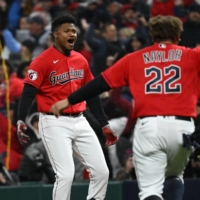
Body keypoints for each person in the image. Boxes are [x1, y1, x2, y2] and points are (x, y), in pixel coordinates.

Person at [50, 15, 200, 200]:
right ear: (178, 36)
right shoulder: (193, 55)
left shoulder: (134, 58)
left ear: (152, 36)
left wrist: (69, 100)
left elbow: (100, 83)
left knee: (150, 191)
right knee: (174, 177)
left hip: (150, 126)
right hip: (183, 127)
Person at [17, 14, 118, 200]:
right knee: (65, 174)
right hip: (53, 122)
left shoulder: (80, 59)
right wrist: (21, 119)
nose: (72, 33)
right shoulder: (41, 60)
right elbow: (28, 93)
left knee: (102, 171)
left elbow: (92, 94)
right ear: (56, 34)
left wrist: (104, 124)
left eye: (73, 30)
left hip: (80, 120)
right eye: (67, 31)